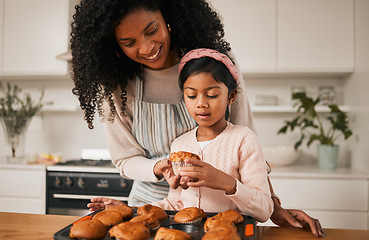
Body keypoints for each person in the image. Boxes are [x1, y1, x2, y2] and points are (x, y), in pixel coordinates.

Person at [71, 0, 323, 237]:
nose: (147, 48)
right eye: (129, 42)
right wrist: (155, 172)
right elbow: (125, 159)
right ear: (114, 45)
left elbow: (247, 144)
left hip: (224, 210)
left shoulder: (213, 63)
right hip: (151, 208)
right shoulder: (117, 85)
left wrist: (271, 204)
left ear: (167, 17)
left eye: (152, 30)